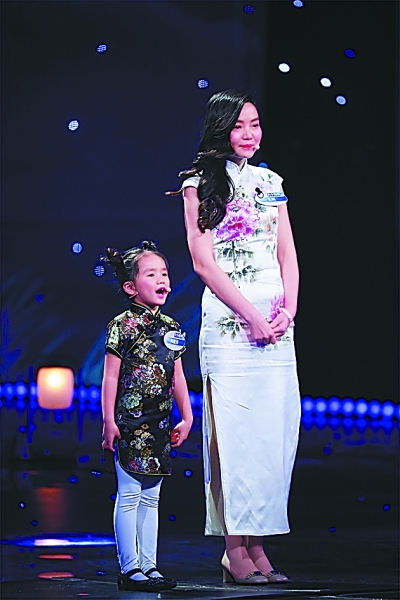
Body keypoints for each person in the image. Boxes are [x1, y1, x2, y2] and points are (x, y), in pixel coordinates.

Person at [176, 90, 301, 584]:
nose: (249, 134)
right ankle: (235, 549)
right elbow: (203, 263)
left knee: (273, 436)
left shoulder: (271, 182)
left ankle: (259, 544)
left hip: (276, 326)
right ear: (221, 129)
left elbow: (287, 253)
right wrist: (250, 315)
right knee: (234, 437)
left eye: (255, 124)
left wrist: (288, 311)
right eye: (239, 126)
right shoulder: (199, 183)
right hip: (231, 328)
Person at [101, 240, 193, 592]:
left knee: (152, 497)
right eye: (151, 274)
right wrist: (109, 421)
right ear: (130, 287)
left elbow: (178, 376)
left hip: (160, 425)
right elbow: (110, 377)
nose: (162, 280)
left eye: (164, 274)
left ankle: (149, 565)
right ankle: (129, 567)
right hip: (129, 423)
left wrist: (187, 417)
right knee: (129, 494)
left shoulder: (171, 327)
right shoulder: (122, 326)